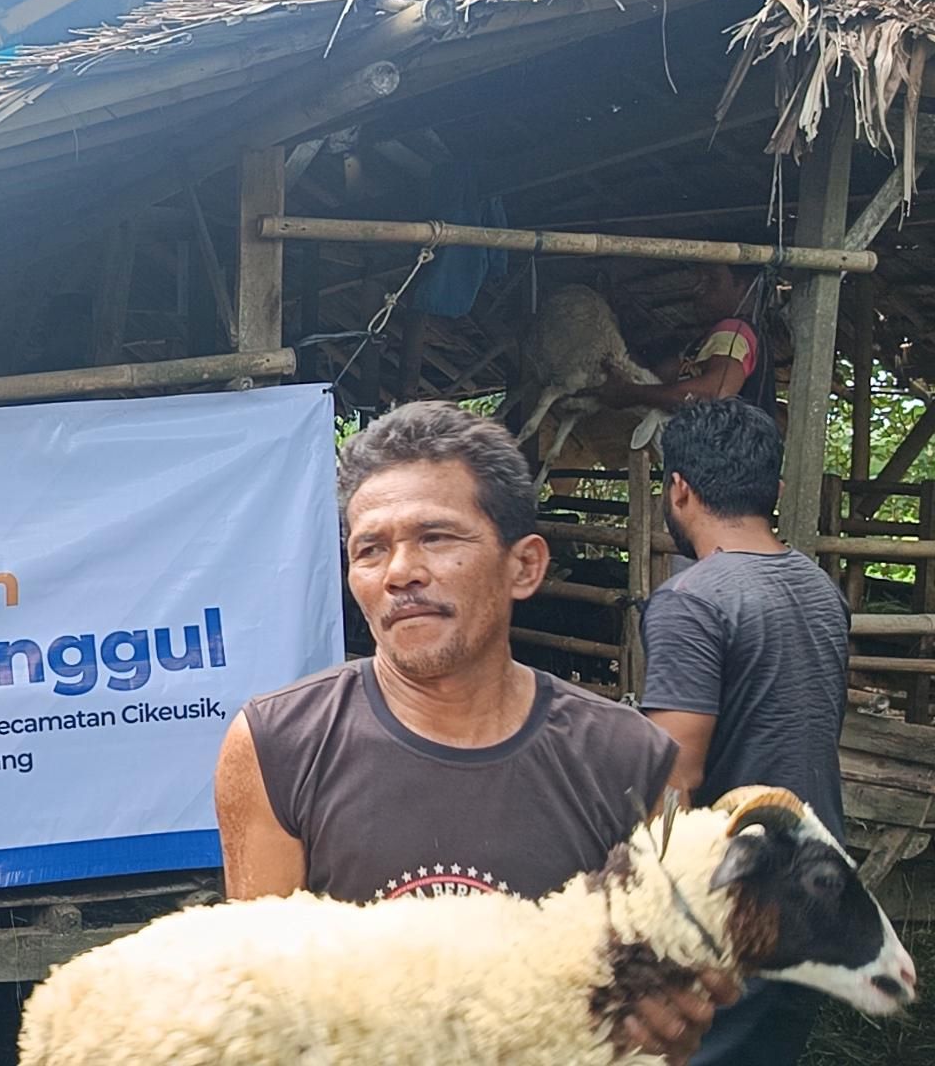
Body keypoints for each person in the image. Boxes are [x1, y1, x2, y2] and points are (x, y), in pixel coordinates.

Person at [213, 400, 736, 1064]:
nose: (400, 572)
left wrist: (666, 1019)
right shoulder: (277, 746)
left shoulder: (628, 761)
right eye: (370, 549)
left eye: (436, 537)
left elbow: (658, 1003)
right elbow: (259, 1007)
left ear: (525, 567)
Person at [640, 397, 851, 1066]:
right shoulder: (820, 588)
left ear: (679, 489)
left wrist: (649, 908)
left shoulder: (692, 600)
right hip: (821, 874)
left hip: (741, 893)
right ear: (776, 491)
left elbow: (676, 776)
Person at [594, 263, 780, 421]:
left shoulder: (734, 329)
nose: (698, 289)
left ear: (743, 288)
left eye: (712, 280)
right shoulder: (703, 344)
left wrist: (631, 394)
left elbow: (713, 396)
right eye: (699, 280)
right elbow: (666, 376)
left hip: (731, 451)